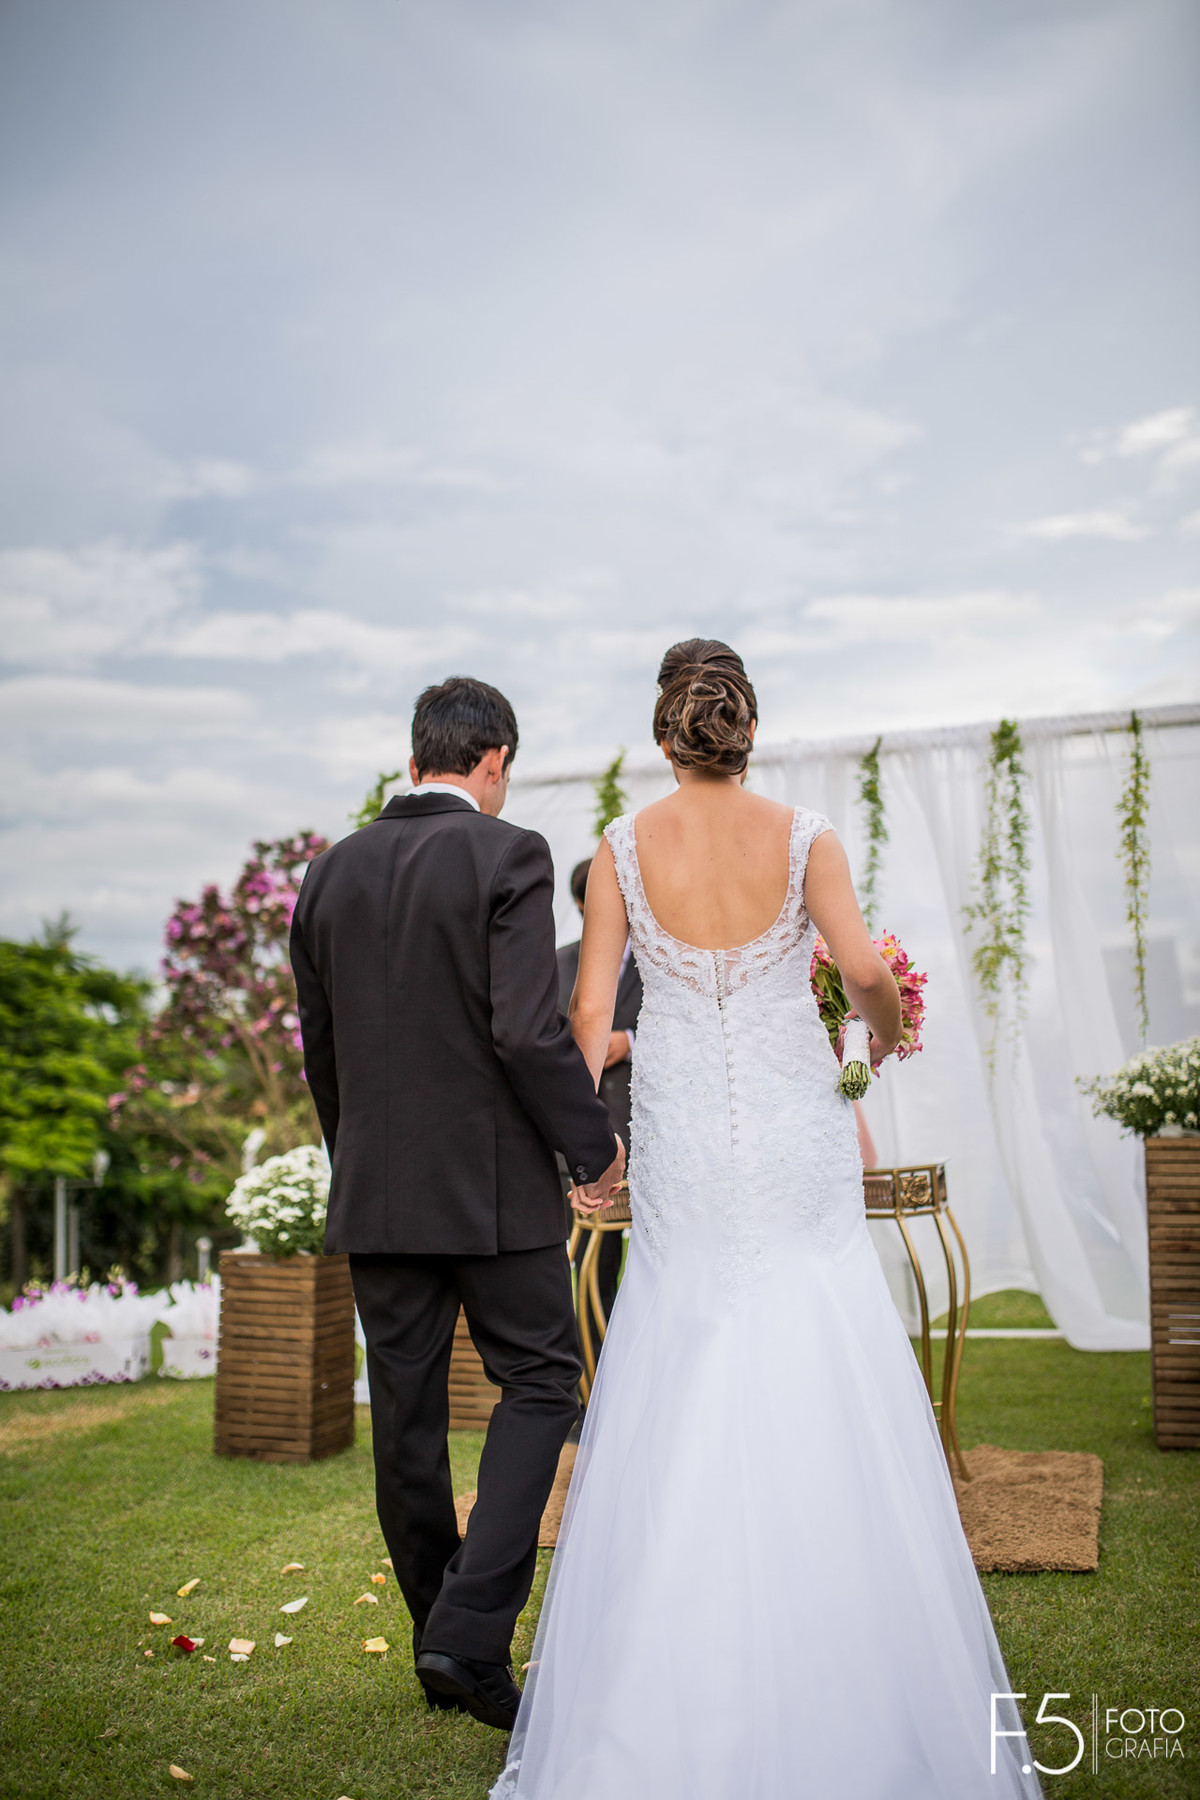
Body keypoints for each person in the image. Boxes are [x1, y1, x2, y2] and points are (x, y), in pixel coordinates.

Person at [492, 641, 1040, 1799]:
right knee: (815, 1319)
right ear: (749, 733)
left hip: (688, 1138)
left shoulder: (617, 851)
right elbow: (860, 967)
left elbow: (587, 1010)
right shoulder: (807, 838)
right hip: (793, 1132)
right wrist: (883, 1031)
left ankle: (666, 1670)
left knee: (685, 1328)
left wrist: (583, 1145)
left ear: (664, 736)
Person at [290, 676, 624, 1732]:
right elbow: (526, 1032)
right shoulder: (507, 851)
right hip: (491, 1191)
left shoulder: (328, 873)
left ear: (416, 753)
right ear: (492, 762)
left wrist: (361, 1164)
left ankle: (447, 1632)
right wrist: (590, 1142)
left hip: (379, 1193)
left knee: (407, 1419)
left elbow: (323, 1051)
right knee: (542, 1383)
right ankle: (469, 1634)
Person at [557, 856, 644, 1325]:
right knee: (583, 1266)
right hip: (579, 1142)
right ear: (579, 905)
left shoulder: (658, 964)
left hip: (645, 1132)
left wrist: (627, 1042)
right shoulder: (556, 963)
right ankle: (585, 1377)